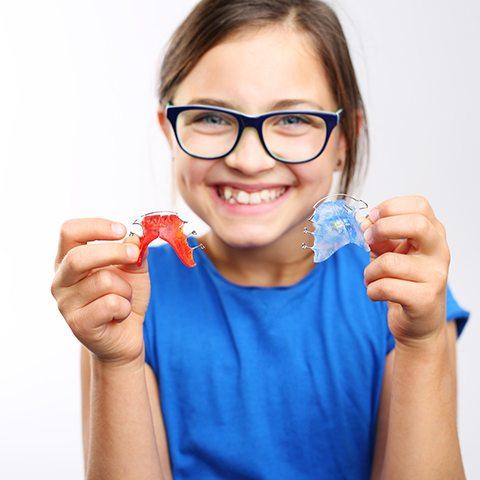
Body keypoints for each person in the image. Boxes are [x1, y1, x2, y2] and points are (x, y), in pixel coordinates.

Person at [50, 1, 471, 479]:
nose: (249, 160)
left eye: (292, 120)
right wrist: (117, 360)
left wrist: (421, 342)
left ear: (344, 140)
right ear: (170, 130)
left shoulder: (401, 295)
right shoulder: (127, 298)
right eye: (211, 117)